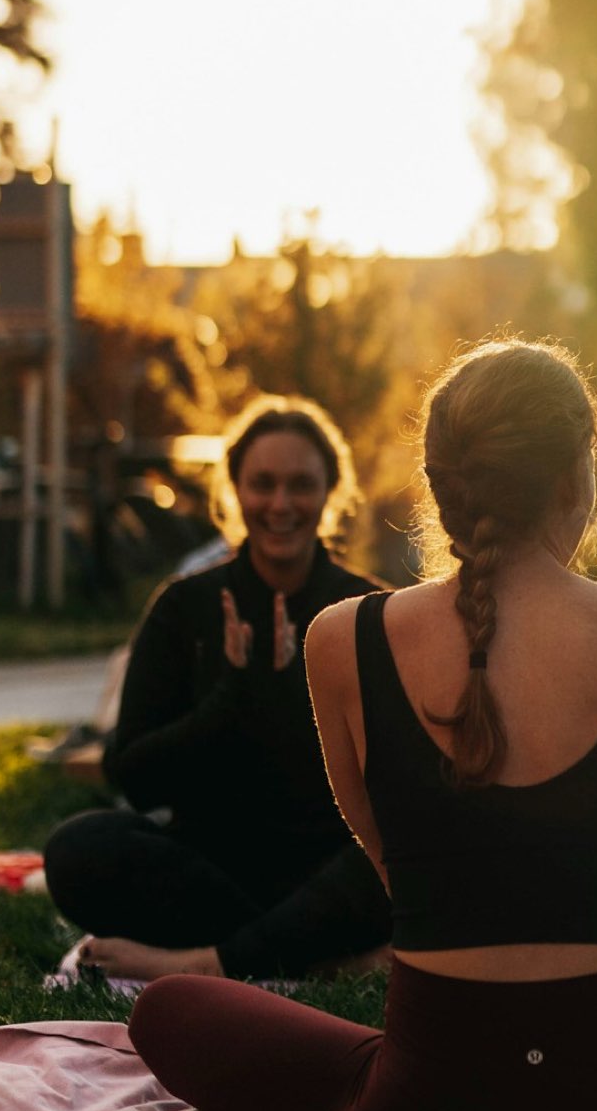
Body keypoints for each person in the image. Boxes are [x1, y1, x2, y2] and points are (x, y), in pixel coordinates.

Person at [126, 339, 597, 1111]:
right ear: (575, 480)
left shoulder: (342, 639)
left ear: (439, 483)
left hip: (425, 1108)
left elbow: (397, 875)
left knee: (169, 1010)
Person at [43, 395, 392, 981]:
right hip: (211, 868)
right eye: (263, 484)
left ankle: (214, 962)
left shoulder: (369, 612)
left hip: (324, 866)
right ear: (235, 490)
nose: (281, 504)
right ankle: (311, 954)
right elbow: (131, 771)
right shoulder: (184, 609)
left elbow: (391, 788)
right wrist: (232, 699)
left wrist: (288, 696)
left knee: (402, 860)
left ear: (331, 492)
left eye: (300, 485)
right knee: (76, 850)